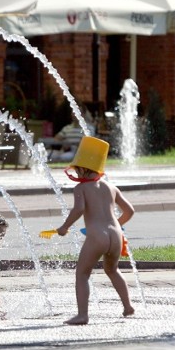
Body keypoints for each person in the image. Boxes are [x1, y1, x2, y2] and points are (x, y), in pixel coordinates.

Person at [55, 136, 135, 325]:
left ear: (82, 167)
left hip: (97, 236)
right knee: (112, 270)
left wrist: (65, 226)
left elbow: (79, 209)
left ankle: (82, 315)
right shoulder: (111, 187)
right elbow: (130, 210)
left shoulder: (81, 188)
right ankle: (128, 306)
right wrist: (118, 224)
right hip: (116, 235)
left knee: (82, 273)